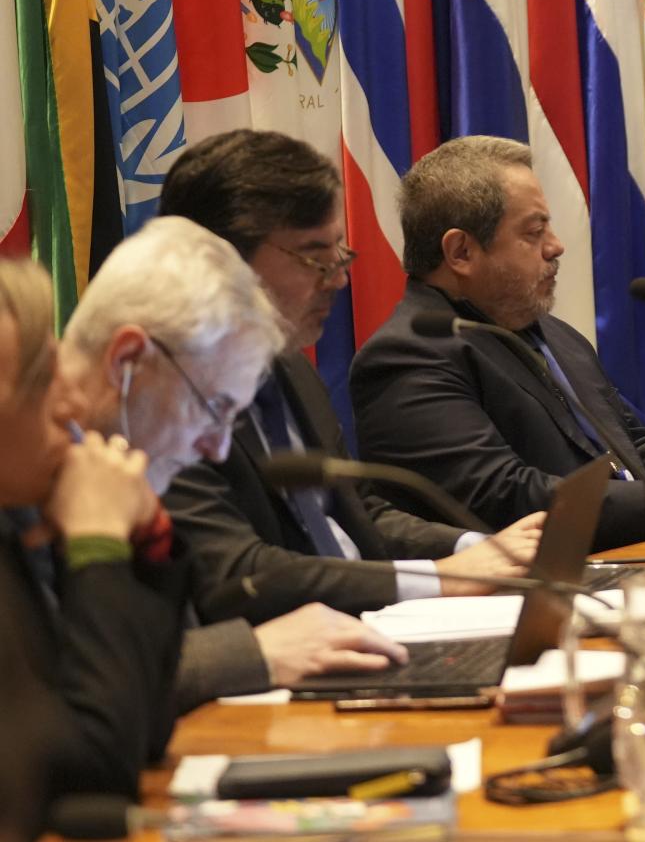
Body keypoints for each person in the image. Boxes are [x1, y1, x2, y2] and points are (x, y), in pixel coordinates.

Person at [159, 130, 544, 622]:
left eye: (339, 253)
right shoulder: (164, 392)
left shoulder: (288, 364)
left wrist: (480, 547)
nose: (338, 279)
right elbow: (241, 571)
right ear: (219, 259)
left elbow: (360, 514)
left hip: (372, 626)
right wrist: (440, 578)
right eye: (314, 257)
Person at [51, 218, 410, 709]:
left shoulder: (116, 468)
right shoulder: (26, 478)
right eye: (214, 409)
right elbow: (51, 689)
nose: (217, 450)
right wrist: (253, 651)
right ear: (127, 361)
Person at [352, 136, 645, 550]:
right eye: (534, 232)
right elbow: (502, 495)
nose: (556, 245)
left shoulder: (551, 333)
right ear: (461, 251)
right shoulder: (409, 357)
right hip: (512, 595)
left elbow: (633, 445)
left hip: (625, 559)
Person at [0, 257, 179, 818]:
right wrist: (96, 545)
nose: (74, 406)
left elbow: (144, 728)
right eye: (40, 380)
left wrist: (147, 542)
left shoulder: (18, 521)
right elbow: (94, 770)